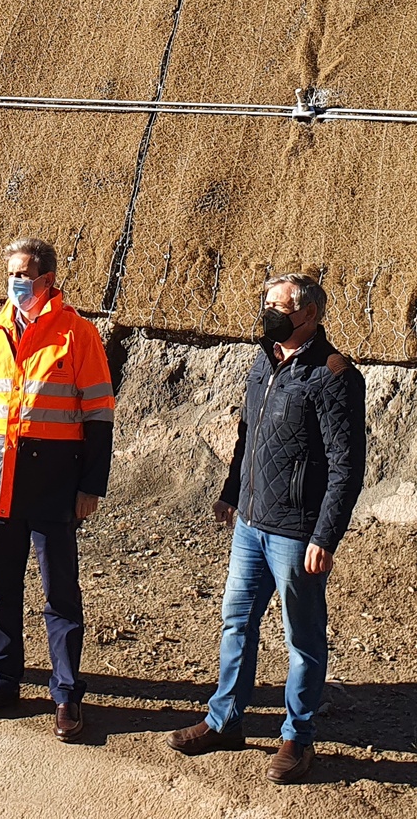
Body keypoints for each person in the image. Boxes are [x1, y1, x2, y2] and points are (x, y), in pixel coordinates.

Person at [169, 273, 366, 784]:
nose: (270, 314)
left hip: (297, 533)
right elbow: (247, 434)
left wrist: (326, 535)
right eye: (267, 304)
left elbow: (347, 467)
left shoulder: (334, 375)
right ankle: (224, 721)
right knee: (236, 623)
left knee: (301, 639)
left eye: (281, 307)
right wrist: (232, 492)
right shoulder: (265, 362)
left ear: (310, 316)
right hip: (251, 526)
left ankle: (297, 739)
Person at [0, 237, 114, 742]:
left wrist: (91, 485)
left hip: (54, 485)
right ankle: (1, 681)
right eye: (10, 274)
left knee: (60, 593)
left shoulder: (77, 334)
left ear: (46, 279)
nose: (14, 282)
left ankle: (66, 694)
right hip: (0, 481)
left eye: (22, 274)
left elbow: (99, 415)